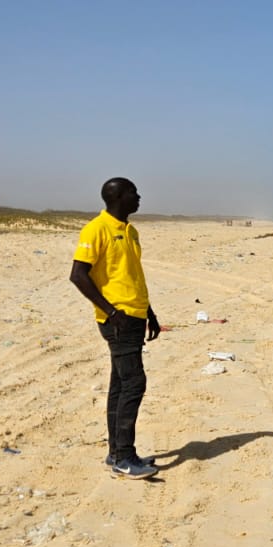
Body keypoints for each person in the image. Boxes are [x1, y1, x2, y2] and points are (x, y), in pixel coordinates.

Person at [70, 178, 161, 479]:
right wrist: (110, 311)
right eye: (134, 192)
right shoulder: (96, 229)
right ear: (119, 196)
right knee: (134, 383)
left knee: (121, 384)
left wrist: (149, 313)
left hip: (135, 316)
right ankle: (125, 457)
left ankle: (116, 453)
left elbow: (131, 276)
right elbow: (78, 275)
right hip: (118, 320)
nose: (139, 196)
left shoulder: (130, 231)